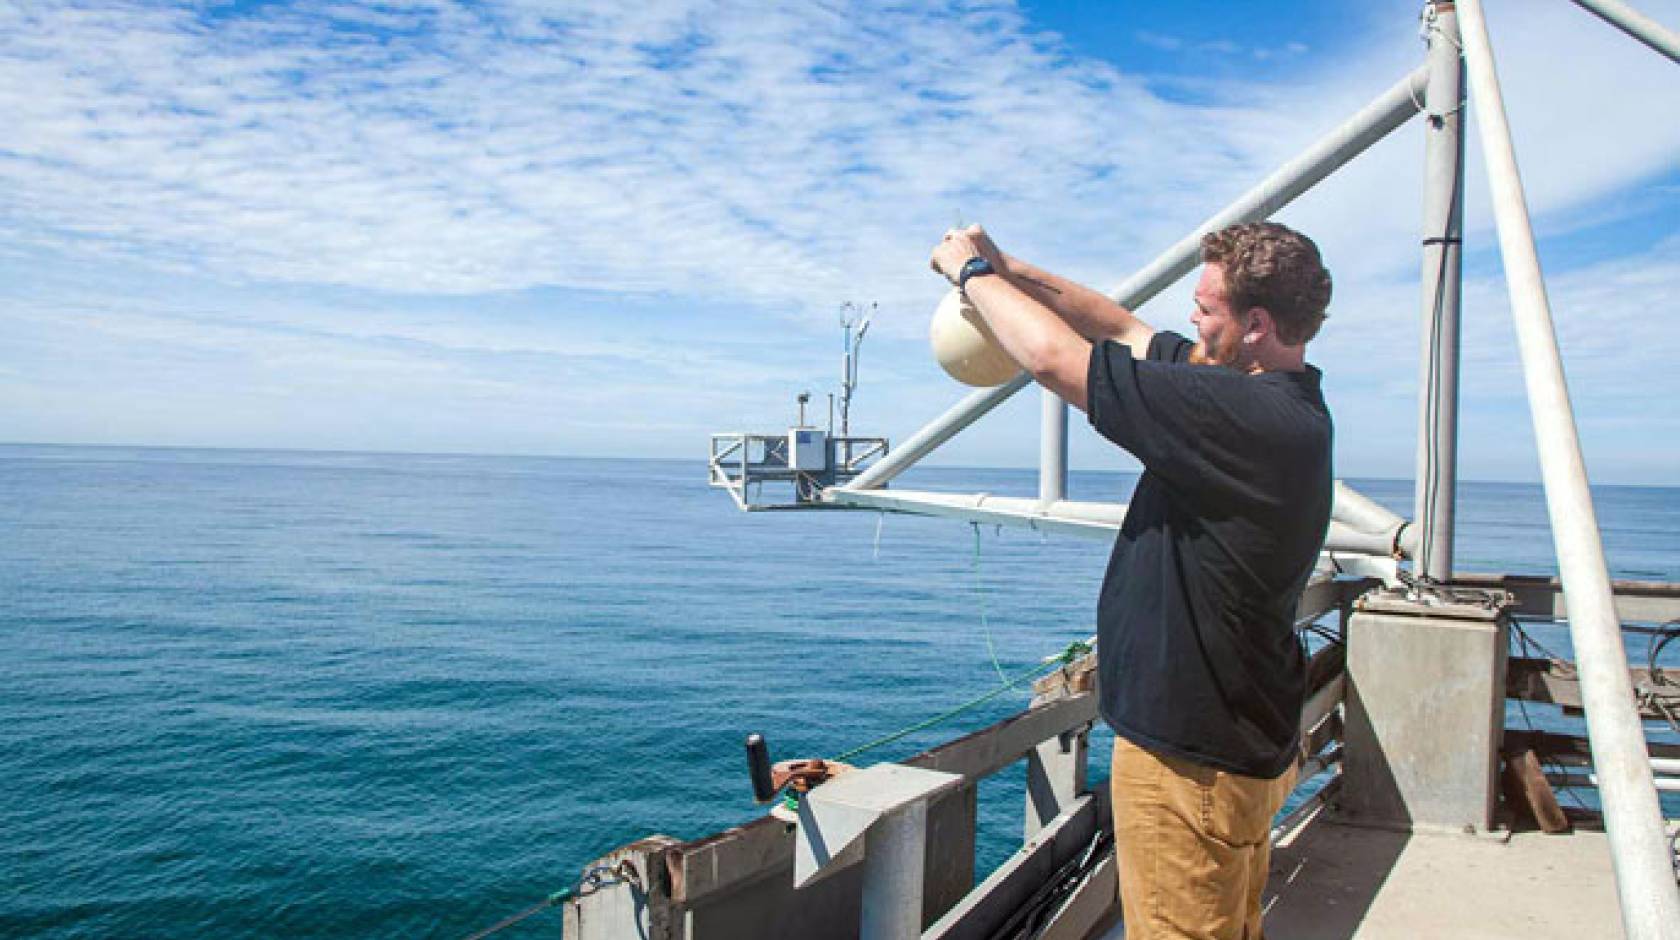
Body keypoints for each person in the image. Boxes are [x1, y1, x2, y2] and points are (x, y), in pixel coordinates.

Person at [929, 222, 1333, 940]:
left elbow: (1057, 359)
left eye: (1207, 308)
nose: (1191, 319)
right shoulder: (1269, 399)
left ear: (1258, 324)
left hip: (1189, 766)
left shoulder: (1240, 416)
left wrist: (969, 276)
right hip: (1236, 745)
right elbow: (1122, 327)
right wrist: (1011, 266)